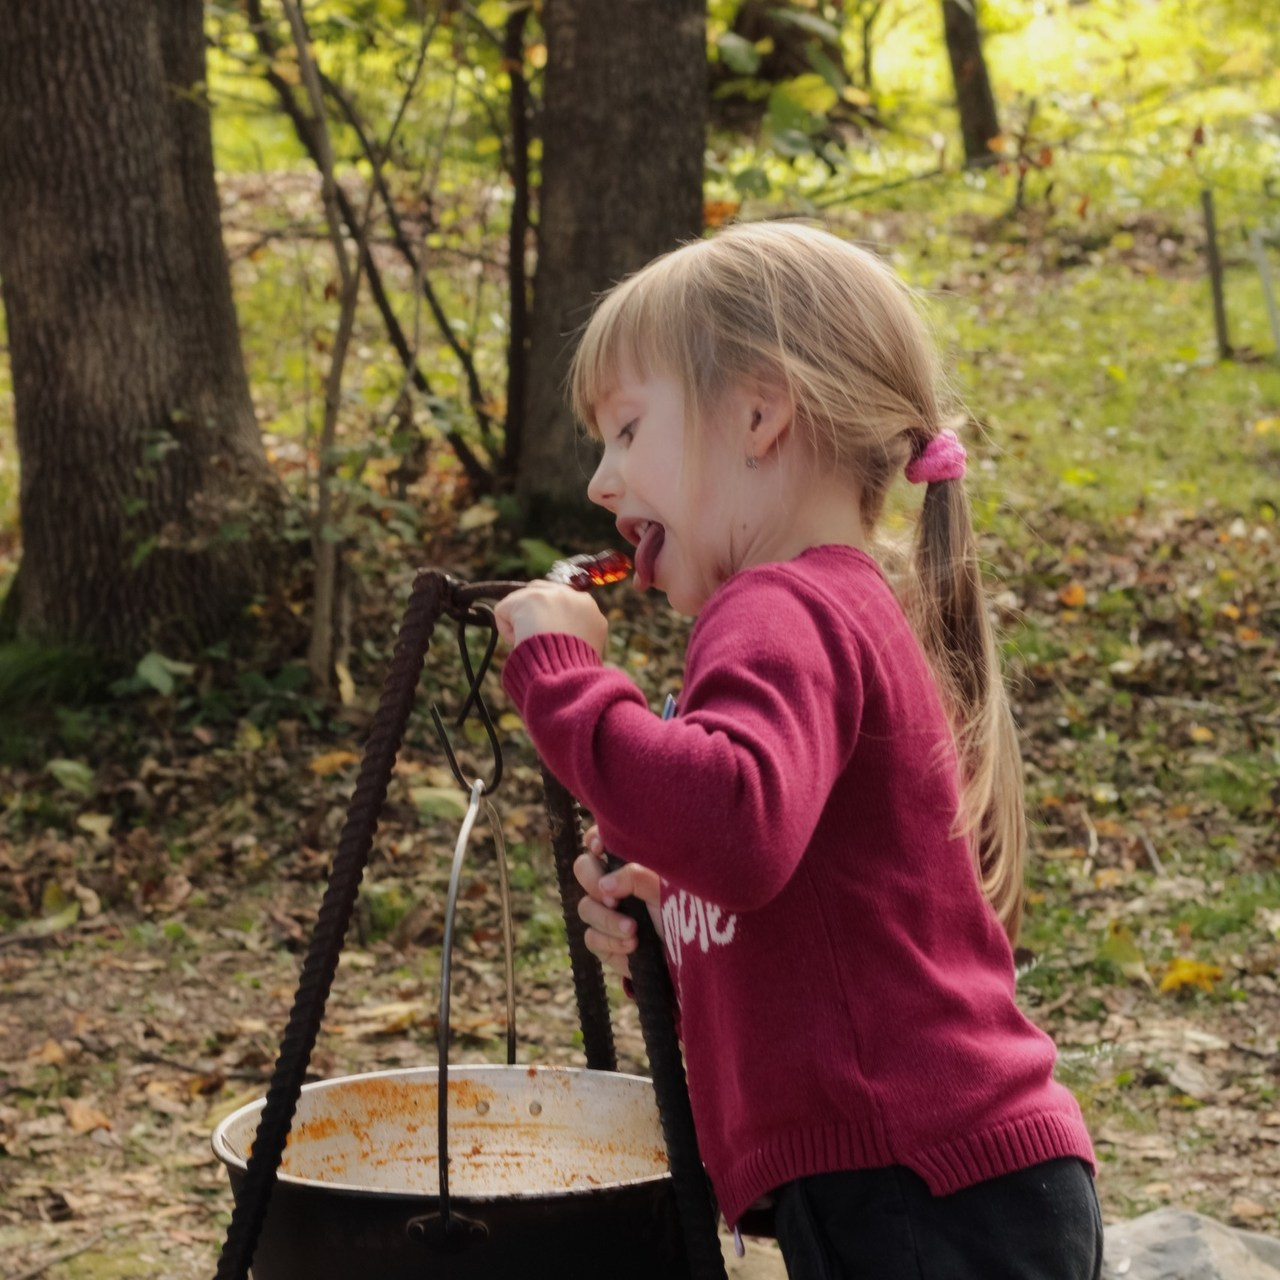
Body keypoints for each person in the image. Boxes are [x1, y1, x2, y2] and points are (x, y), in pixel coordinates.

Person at [493, 221, 1101, 1280]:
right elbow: (791, 891)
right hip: (938, 1183)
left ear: (760, 414)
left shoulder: (773, 603)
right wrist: (668, 918)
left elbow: (730, 824)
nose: (600, 480)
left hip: (916, 1187)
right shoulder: (824, 605)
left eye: (627, 431)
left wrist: (560, 674)